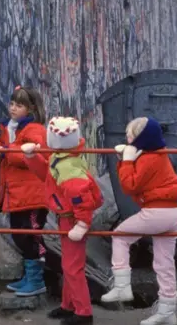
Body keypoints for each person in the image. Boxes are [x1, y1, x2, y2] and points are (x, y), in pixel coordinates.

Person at [21, 116, 103, 325]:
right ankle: (69, 305)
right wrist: (32, 157)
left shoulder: (66, 165)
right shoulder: (63, 157)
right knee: (69, 265)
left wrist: (82, 223)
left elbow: (80, 197)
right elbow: (48, 176)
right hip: (67, 217)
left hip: (72, 219)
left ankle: (83, 312)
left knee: (73, 267)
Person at [101, 117, 177, 325]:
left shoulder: (147, 158)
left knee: (119, 236)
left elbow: (130, 186)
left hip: (156, 212)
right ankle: (167, 310)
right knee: (164, 263)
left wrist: (125, 161)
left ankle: (121, 287)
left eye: (131, 134)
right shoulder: (158, 155)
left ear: (141, 138)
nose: (127, 138)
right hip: (172, 212)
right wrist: (126, 159)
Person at [0, 86, 49, 297]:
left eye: (19, 105)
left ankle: (37, 280)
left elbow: (31, 157)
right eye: (12, 103)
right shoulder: (9, 129)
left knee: (31, 237)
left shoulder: (35, 130)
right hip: (17, 195)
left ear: (30, 109)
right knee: (19, 236)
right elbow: (4, 159)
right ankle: (29, 277)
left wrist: (4, 152)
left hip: (32, 196)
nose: (13, 108)